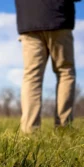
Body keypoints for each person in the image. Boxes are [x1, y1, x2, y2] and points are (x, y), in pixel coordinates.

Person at [14, 0, 81, 133]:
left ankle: (29, 130)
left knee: (32, 76)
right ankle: (64, 128)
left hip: (29, 18)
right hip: (58, 16)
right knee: (65, 72)